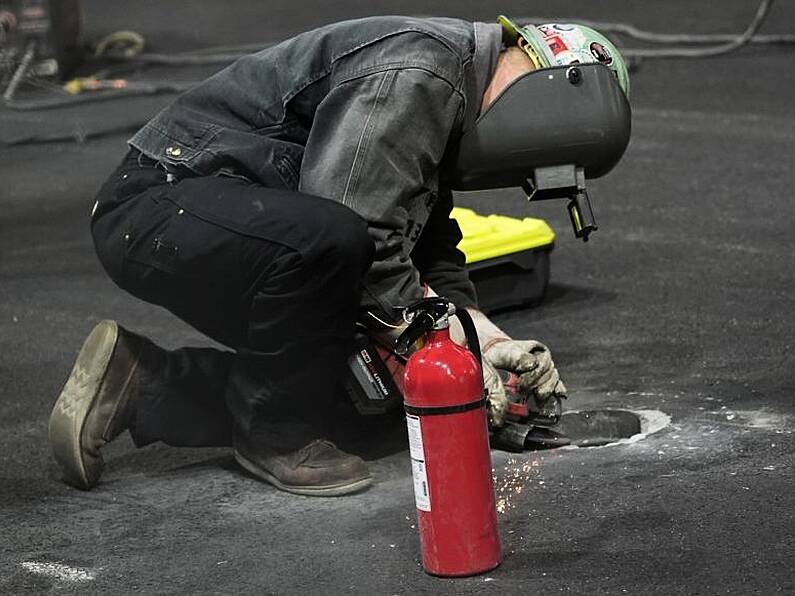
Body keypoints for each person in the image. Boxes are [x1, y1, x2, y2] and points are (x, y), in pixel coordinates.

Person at [48, 15, 630, 496]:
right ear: (550, 81)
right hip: (158, 204)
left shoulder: (443, 100)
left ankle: (143, 383)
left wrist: (487, 348)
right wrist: (439, 346)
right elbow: (356, 225)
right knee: (337, 245)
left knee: (377, 403)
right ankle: (272, 434)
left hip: (222, 222)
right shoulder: (423, 71)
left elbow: (429, 248)